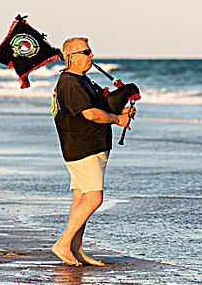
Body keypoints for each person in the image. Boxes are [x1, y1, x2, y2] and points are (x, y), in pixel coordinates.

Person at [51, 37, 133, 266]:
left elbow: (100, 106)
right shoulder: (70, 83)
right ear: (70, 57)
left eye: (90, 51)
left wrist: (122, 108)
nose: (91, 56)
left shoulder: (81, 80)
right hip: (83, 148)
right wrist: (118, 120)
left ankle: (75, 249)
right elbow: (91, 114)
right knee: (94, 198)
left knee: (81, 198)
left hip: (87, 146)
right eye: (86, 52)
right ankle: (62, 244)